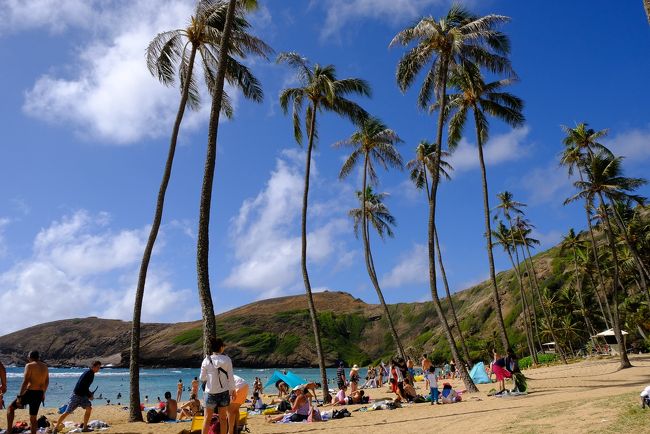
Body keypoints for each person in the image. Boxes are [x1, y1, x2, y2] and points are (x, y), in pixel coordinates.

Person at [53, 360, 101, 433]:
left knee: (89, 408)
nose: (98, 369)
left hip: (83, 396)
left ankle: (85, 427)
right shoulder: (88, 373)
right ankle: (56, 428)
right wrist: (89, 395)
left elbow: (85, 386)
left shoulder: (91, 373)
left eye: (99, 367)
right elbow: (81, 385)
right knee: (67, 412)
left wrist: (89, 393)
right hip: (76, 395)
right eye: (97, 367)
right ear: (93, 367)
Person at [7, 351, 49, 434]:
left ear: (30, 357)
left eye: (28, 357)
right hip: (39, 393)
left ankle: (9, 431)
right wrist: (43, 393)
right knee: (33, 418)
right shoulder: (45, 366)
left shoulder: (29, 365)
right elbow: (47, 381)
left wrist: (19, 396)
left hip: (29, 392)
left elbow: (25, 381)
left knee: (10, 408)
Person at [200, 338, 235, 434]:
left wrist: (211, 378)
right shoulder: (227, 359)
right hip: (223, 392)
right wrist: (233, 390)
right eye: (223, 346)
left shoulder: (206, 360)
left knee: (207, 419)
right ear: (221, 347)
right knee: (223, 418)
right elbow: (231, 377)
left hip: (210, 392)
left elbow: (202, 378)